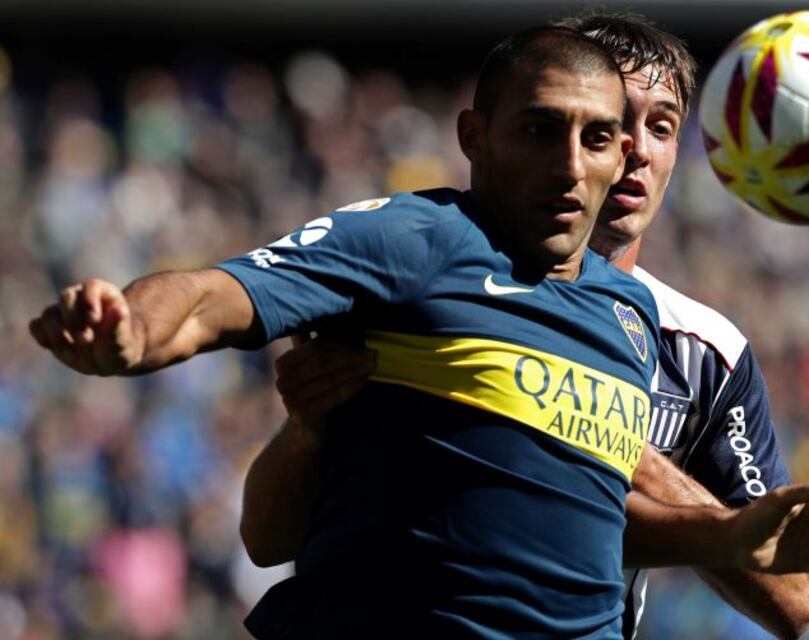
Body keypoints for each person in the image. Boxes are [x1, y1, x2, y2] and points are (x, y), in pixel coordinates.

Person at [238, 12, 809, 640]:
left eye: (663, 127)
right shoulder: (429, 279)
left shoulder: (704, 353)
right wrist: (305, 430)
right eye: (617, 123)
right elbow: (266, 540)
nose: (637, 149)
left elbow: (793, 601)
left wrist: (594, 429)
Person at [29, 26, 664, 638]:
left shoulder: (630, 314)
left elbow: (600, 521)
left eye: (597, 138)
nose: (571, 164)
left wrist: (733, 536)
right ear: (475, 137)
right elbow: (213, 295)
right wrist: (133, 333)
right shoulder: (413, 238)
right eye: (539, 129)